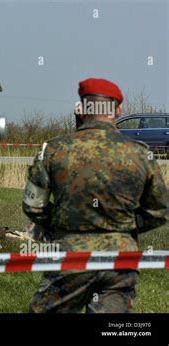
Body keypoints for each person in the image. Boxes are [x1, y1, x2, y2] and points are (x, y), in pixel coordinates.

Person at [23, 78, 169, 313]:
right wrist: (123, 227)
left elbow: (33, 205)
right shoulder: (139, 153)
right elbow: (160, 210)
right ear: (118, 110)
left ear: (82, 109)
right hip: (121, 257)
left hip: (70, 254)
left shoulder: (53, 149)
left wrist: (62, 225)